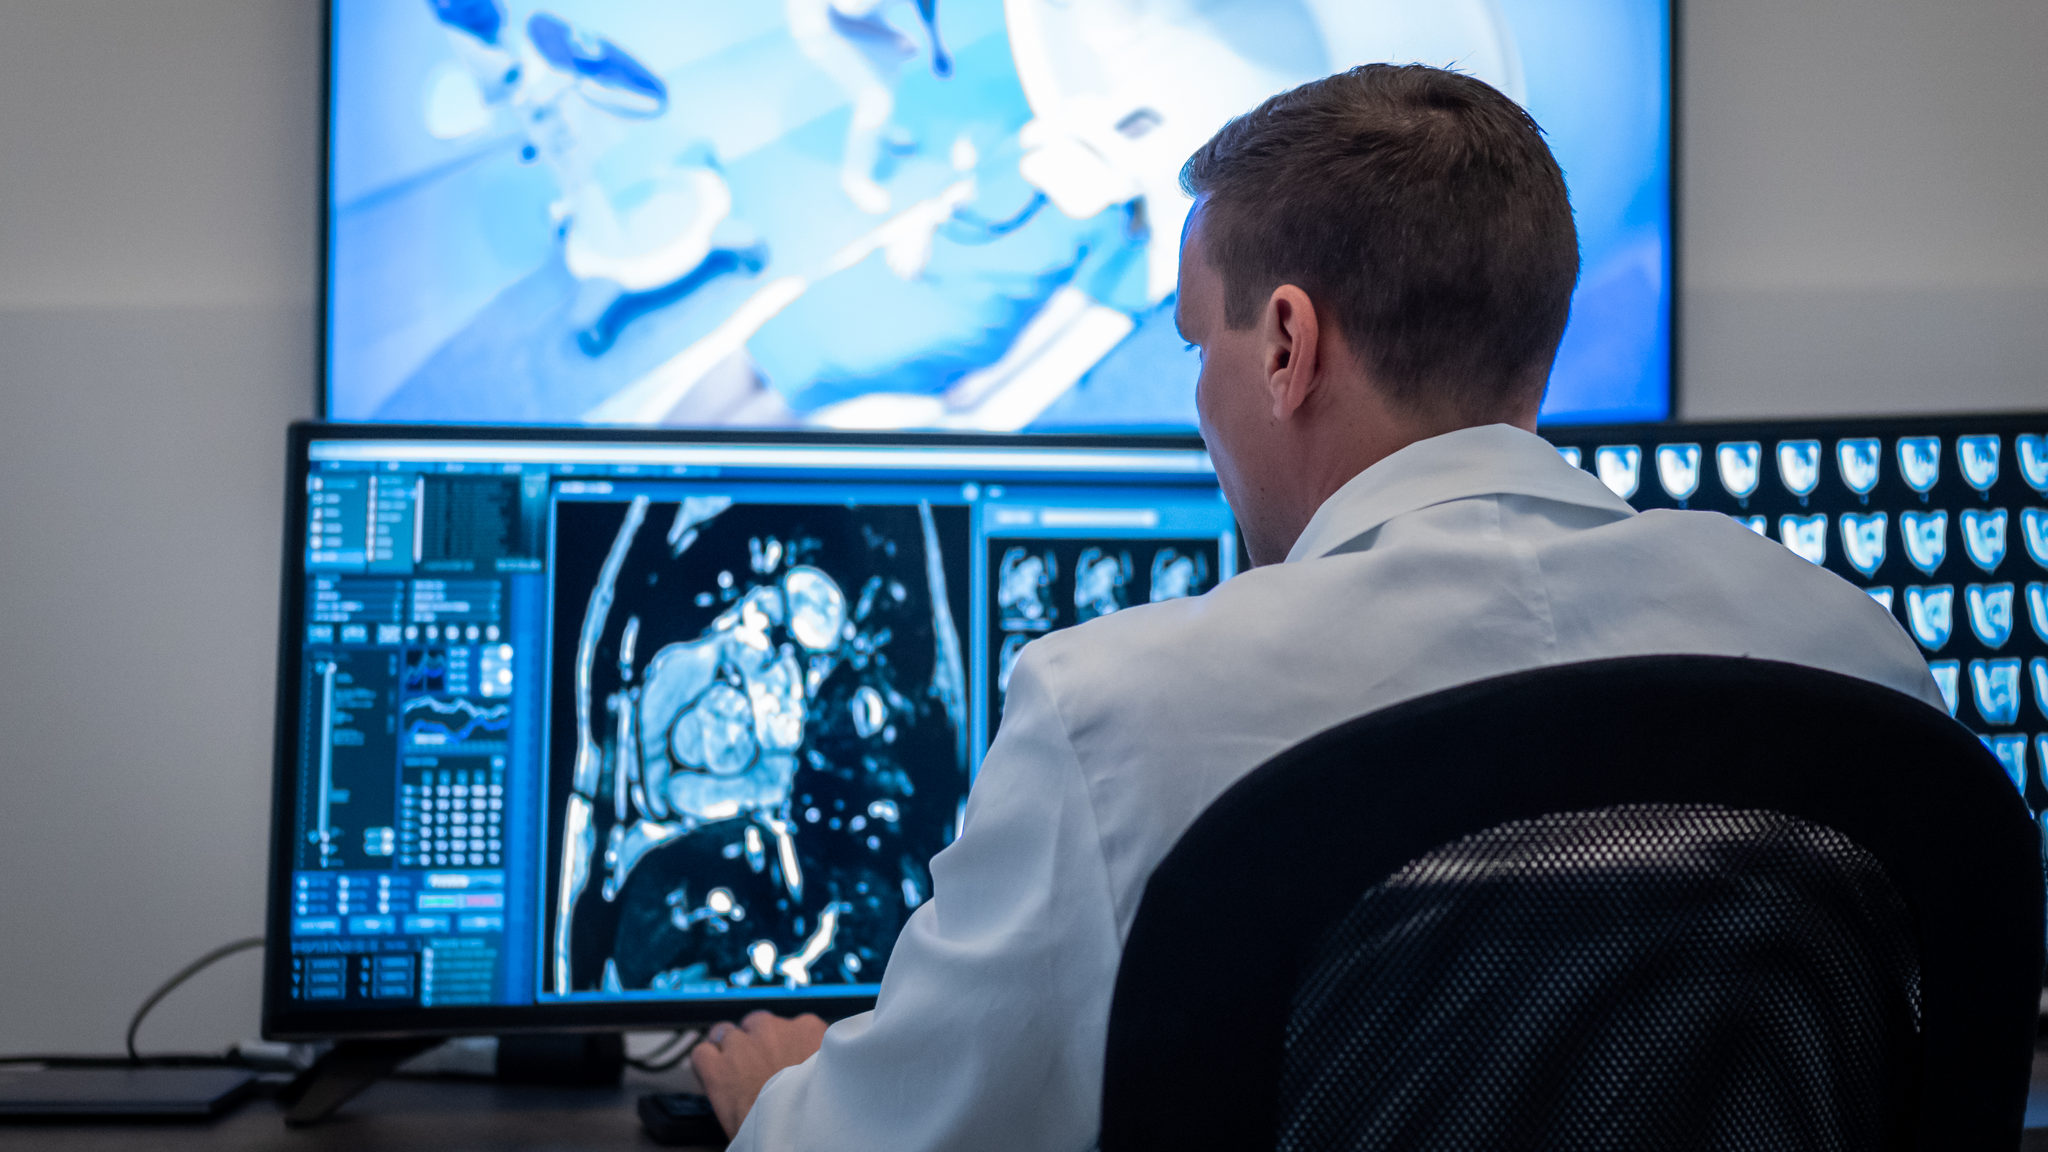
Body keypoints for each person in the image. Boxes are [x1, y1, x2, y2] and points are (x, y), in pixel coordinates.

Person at [685, 63, 1946, 1149]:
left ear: (1286, 345)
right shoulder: (1853, 658)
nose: (1199, 399)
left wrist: (785, 1098)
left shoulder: (1122, 713)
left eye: (1196, 346)